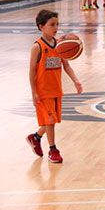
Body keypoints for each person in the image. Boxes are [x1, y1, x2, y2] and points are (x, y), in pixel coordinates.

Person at [26, 9, 83, 164]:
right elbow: (31, 71)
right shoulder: (37, 47)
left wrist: (76, 81)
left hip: (56, 89)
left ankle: (35, 138)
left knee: (51, 121)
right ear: (41, 26)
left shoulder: (60, 45)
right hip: (43, 91)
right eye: (52, 24)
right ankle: (53, 150)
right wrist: (33, 92)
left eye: (57, 24)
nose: (56, 27)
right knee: (50, 121)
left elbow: (67, 66)